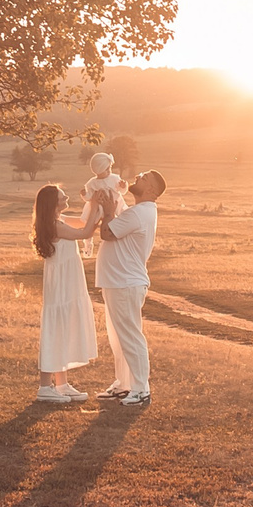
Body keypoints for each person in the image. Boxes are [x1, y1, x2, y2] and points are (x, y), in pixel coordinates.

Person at [93, 169, 165, 408]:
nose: (138, 177)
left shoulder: (139, 213)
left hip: (125, 282)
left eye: (144, 178)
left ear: (152, 191)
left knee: (131, 336)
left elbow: (107, 233)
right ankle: (123, 383)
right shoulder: (138, 212)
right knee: (118, 337)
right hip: (117, 281)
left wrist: (110, 213)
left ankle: (141, 388)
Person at [31, 185, 98, 402]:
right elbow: (85, 232)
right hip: (60, 285)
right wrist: (97, 203)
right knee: (56, 327)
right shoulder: (55, 226)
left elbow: (82, 221)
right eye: (62, 196)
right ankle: (44, 387)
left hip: (67, 283)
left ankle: (61, 384)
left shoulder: (59, 221)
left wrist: (95, 203)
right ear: (53, 203)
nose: (67, 197)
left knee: (64, 325)